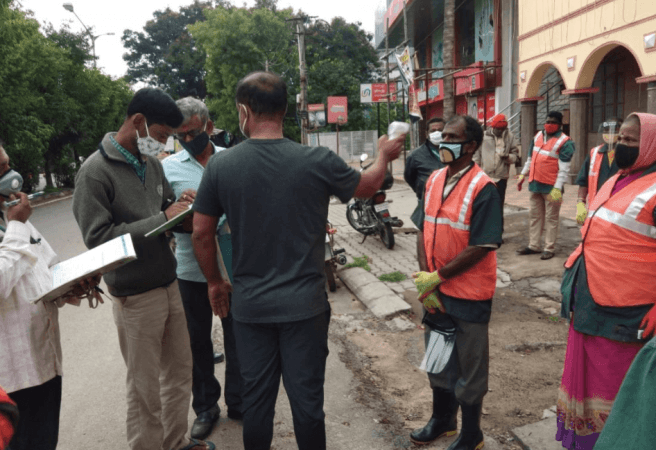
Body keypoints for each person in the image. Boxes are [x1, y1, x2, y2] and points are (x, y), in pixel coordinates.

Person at [191, 71, 405, 450]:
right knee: (308, 404)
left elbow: (201, 234)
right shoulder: (316, 159)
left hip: (251, 308)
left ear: (244, 111)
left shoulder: (221, 167)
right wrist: (385, 156)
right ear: (286, 109)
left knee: (257, 405)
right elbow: (368, 186)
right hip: (305, 307)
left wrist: (214, 282)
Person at [72, 88, 214, 450]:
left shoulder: (150, 161)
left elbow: (166, 208)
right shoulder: (94, 172)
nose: (166, 143)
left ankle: (174, 442)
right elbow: (99, 241)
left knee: (179, 374)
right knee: (144, 388)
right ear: (138, 123)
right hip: (134, 296)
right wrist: (161, 217)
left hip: (170, 285)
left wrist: (183, 210)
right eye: (163, 134)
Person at [556, 113, 656, 450]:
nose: (621, 146)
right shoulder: (618, 178)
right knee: (585, 385)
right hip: (590, 302)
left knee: (615, 390)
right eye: (620, 139)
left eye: (631, 141)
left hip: (626, 312)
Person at [0, 140, 102, 450]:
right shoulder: (15, 221)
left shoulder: (12, 217)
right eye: (0, 170)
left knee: (44, 442)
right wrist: (16, 226)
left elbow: (44, 270)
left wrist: (72, 285)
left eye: (7, 165)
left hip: (43, 361)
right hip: (10, 377)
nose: (11, 176)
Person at [410, 115, 503, 450]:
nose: (441, 139)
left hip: (469, 295)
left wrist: (440, 276)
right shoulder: (434, 179)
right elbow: (423, 226)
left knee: (470, 366)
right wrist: (427, 281)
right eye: (440, 134)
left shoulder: (483, 188)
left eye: (451, 136)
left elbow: (483, 245)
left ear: (471, 146)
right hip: (436, 294)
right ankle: (443, 420)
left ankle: (471, 433)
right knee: (438, 358)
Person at [162, 96, 242, 440]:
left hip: (234, 266)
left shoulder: (234, 160)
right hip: (190, 270)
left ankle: (239, 400)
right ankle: (206, 406)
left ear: (208, 127)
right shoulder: (169, 168)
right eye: (180, 135)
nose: (187, 140)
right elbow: (163, 215)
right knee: (197, 342)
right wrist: (181, 210)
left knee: (238, 336)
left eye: (192, 132)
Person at [516, 111, 575, 260]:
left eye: (553, 122)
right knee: (535, 217)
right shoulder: (537, 136)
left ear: (559, 125)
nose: (549, 124)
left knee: (551, 218)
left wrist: (557, 187)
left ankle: (549, 248)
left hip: (551, 187)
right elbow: (530, 159)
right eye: (547, 121)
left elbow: (564, 169)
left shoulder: (565, 142)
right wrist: (523, 174)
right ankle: (534, 245)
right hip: (535, 185)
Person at [473, 113, 520, 233]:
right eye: (498, 129)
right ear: (492, 127)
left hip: (501, 177)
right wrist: (475, 172)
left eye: (502, 129)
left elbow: (516, 156)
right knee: (484, 205)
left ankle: (497, 233)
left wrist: (507, 157)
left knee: (498, 206)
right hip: (485, 177)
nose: (500, 131)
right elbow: (477, 155)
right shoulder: (483, 137)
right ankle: (484, 231)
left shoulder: (510, 137)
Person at [573, 118, 622, 225]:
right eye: (606, 131)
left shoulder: (627, 155)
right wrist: (580, 203)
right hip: (596, 208)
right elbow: (583, 181)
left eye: (614, 131)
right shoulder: (594, 153)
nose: (610, 134)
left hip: (618, 210)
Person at [404, 117, 446, 227]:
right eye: (433, 131)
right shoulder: (416, 155)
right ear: (427, 133)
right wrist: (420, 188)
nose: (437, 133)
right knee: (425, 231)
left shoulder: (454, 150)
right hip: (426, 201)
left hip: (450, 200)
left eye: (440, 130)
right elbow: (409, 177)